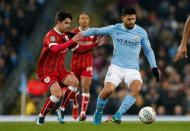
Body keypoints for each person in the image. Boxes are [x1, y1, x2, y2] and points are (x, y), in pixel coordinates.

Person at [80, 6, 159, 124]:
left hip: (132, 69)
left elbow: (148, 50)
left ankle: (118, 114)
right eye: (129, 19)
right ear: (122, 18)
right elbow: (96, 31)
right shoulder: (114, 28)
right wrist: (78, 35)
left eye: (133, 19)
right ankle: (98, 112)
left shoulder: (141, 32)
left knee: (136, 88)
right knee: (108, 91)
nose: (132, 22)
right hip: (116, 67)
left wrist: (154, 67)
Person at [36, 10, 82, 125]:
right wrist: (71, 40)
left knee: (75, 82)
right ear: (58, 22)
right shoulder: (50, 35)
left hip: (60, 70)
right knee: (57, 94)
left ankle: (60, 110)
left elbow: (75, 49)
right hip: (47, 71)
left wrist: (74, 42)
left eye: (69, 24)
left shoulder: (65, 35)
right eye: (66, 23)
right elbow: (55, 49)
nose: (68, 26)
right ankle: (41, 117)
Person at [70, 12, 108, 121]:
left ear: (89, 20)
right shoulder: (74, 33)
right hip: (75, 64)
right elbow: (74, 48)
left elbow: (93, 46)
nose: (84, 20)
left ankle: (82, 112)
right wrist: (94, 44)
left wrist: (96, 45)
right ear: (78, 20)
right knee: (74, 88)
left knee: (86, 87)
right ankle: (76, 106)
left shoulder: (93, 32)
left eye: (86, 18)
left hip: (87, 63)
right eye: (82, 18)